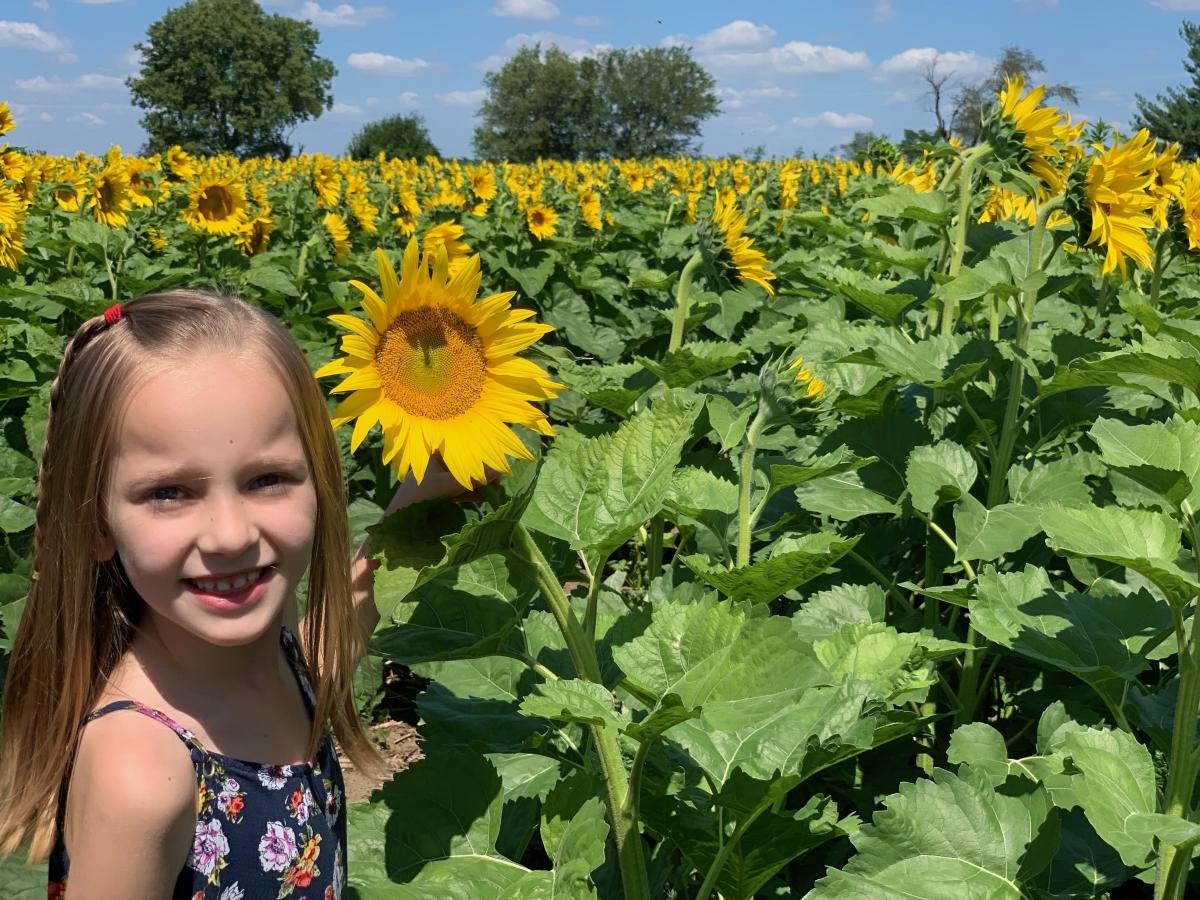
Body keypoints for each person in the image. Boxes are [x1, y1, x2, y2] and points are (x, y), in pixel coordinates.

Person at [0, 290, 473, 898]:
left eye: (268, 479)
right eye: (169, 492)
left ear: (322, 485)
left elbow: (326, 650)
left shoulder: (268, 665)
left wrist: (422, 497)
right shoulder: (141, 771)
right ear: (95, 524)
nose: (230, 535)